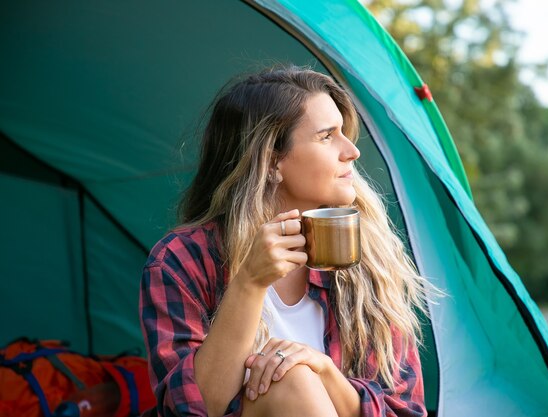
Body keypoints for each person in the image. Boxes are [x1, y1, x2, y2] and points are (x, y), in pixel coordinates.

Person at [140, 66, 430, 417]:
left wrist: (325, 372)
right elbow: (195, 408)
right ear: (272, 160)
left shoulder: (369, 257)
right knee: (290, 380)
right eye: (327, 136)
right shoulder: (183, 259)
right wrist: (249, 283)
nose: (352, 151)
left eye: (345, 133)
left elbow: (406, 410)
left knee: (300, 375)